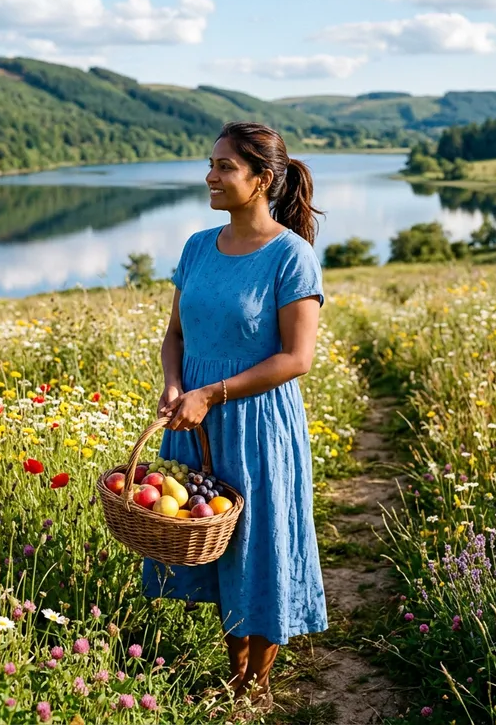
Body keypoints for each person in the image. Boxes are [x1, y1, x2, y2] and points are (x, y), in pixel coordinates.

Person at [142, 121, 328, 713]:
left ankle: (256, 687)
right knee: (215, 540)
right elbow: (175, 334)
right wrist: (176, 385)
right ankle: (235, 673)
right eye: (211, 164)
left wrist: (211, 394)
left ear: (261, 180)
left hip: (255, 422)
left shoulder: (290, 256)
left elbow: (296, 359)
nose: (211, 176)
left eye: (225, 167)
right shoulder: (198, 246)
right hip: (196, 421)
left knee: (258, 546)